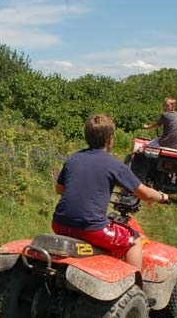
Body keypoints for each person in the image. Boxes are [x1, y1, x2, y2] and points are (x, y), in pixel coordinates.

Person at [51, 113, 168, 272]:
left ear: (87, 137)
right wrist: (161, 196)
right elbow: (146, 195)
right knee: (134, 239)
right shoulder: (113, 163)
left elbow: (60, 189)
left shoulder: (73, 159)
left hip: (59, 224)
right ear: (110, 138)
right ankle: (134, 290)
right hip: (91, 228)